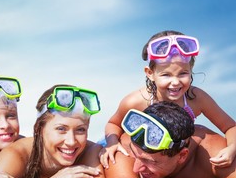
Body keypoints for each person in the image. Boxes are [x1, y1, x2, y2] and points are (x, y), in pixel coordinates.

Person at [101, 30, 236, 168]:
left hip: (166, 157)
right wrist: (112, 143)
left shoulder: (196, 98)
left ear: (191, 69)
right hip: (137, 152)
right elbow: (113, 124)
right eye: (166, 75)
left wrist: (232, 148)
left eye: (183, 73)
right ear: (150, 73)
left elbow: (231, 126)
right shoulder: (137, 101)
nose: (175, 82)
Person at [105, 101, 236, 178]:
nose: (136, 169)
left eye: (150, 161)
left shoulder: (214, 151)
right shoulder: (122, 149)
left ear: (182, 156)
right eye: (135, 155)